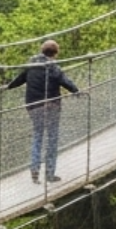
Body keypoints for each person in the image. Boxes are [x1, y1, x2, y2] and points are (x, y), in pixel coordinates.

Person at [6, 39, 81, 183]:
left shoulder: (31, 65)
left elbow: (19, 79)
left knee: (37, 136)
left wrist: (7, 87)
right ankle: (49, 174)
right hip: (51, 106)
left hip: (33, 107)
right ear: (56, 53)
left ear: (42, 51)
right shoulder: (53, 67)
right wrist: (77, 91)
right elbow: (66, 82)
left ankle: (34, 169)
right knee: (52, 139)